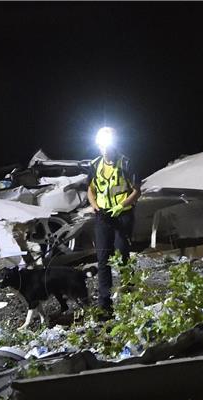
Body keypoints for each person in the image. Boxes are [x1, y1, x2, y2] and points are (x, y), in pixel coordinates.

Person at [86, 126, 141, 313]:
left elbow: (136, 191)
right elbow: (90, 190)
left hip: (122, 215)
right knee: (102, 259)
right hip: (102, 216)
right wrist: (94, 205)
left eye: (107, 146)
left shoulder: (126, 163)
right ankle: (104, 304)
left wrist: (122, 205)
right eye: (102, 146)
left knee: (123, 257)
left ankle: (129, 298)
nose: (105, 150)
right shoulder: (94, 165)